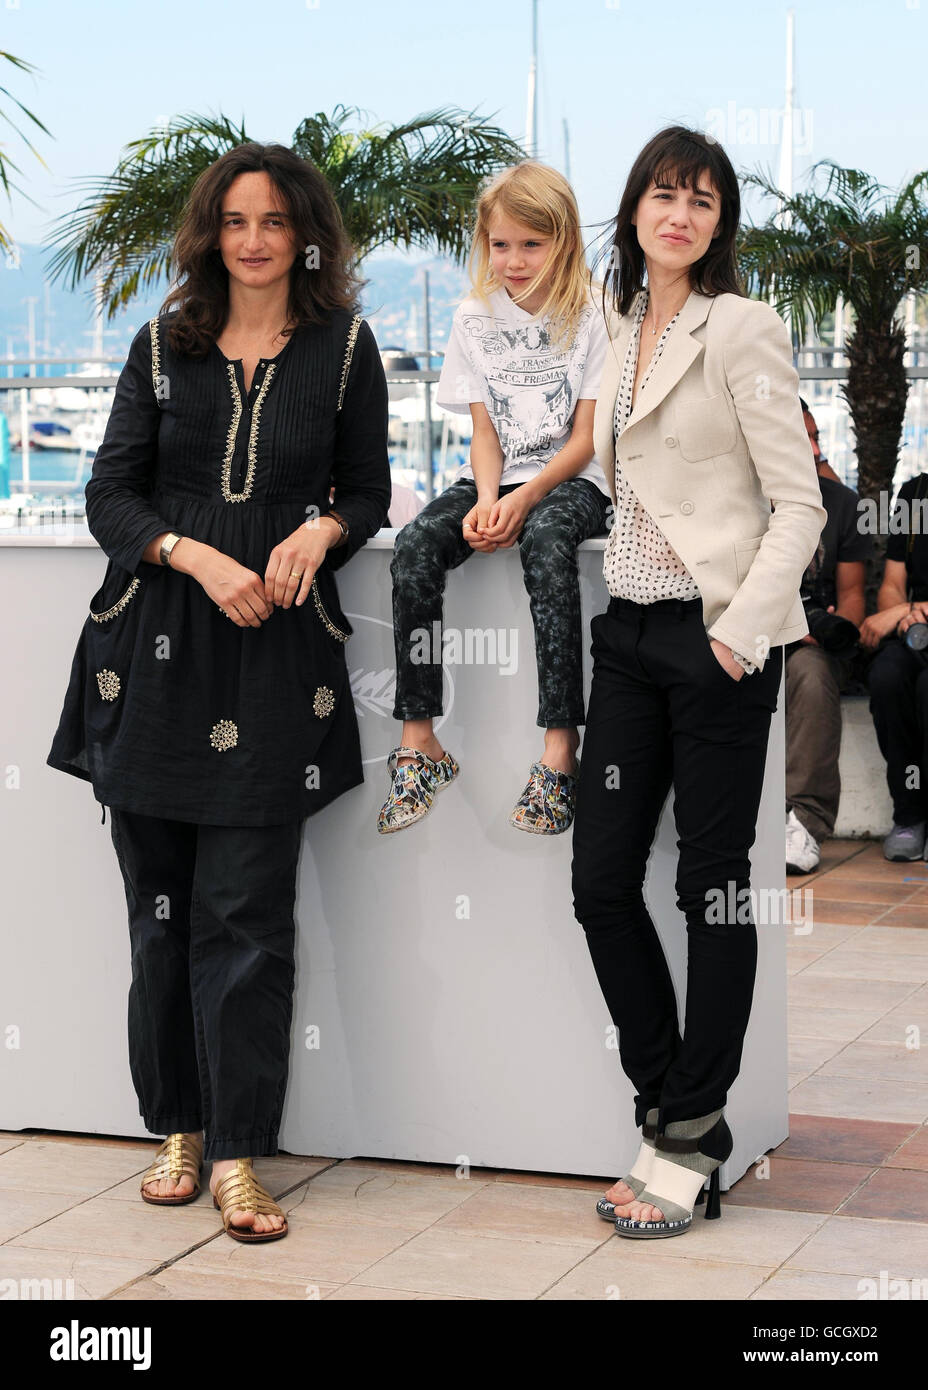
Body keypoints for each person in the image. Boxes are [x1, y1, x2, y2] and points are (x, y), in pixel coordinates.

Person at [46, 142, 391, 1241]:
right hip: (149, 651)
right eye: (236, 221)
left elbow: (371, 490)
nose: (253, 240)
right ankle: (177, 1129)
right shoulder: (161, 345)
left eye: (274, 222)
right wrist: (195, 555)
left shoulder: (344, 348)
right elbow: (110, 496)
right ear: (212, 233)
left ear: (305, 236)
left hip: (278, 659)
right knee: (159, 916)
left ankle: (242, 1154)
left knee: (248, 916)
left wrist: (320, 530)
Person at [570, 126, 827, 1239]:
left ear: (720, 225)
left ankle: (684, 1134)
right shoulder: (614, 325)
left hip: (714, 640)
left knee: (712, 889)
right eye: (664, 195)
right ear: (633, 208)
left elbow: (801, 503)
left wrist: (737, 634)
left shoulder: (743, 326)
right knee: (598, 880)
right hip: (624, 637)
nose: (679, 215)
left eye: (703, 201)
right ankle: (677, 1107)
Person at [378, 160, 612, 835]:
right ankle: (419, 739)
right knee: (418, 542)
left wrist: (526, 498)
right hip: (498, 476)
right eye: (500, 244)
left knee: (545, 541)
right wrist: (488, 498)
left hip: (573, 480)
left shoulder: (595, 312)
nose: (513, 260)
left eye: (531, 244)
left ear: (562, 241)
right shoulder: (474, 316)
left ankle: (559, 749)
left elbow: (586, 438)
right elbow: (484, 430)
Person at [784, 398, 871, 873]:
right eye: (805, 439)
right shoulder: (746, 496)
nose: (817, 449)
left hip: (816, 647)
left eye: (818, 437)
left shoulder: (843, 504)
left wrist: (833, 631)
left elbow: (853, 596)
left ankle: (803, 822)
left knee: (812, 673)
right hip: (752, 634)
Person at [860, 469, 928, 859]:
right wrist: (902, 614)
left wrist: (912, 609)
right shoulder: (916, 492)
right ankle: (909, 814)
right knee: (887, 676)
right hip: (915, 630)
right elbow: (892, 582)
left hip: (918, 615)